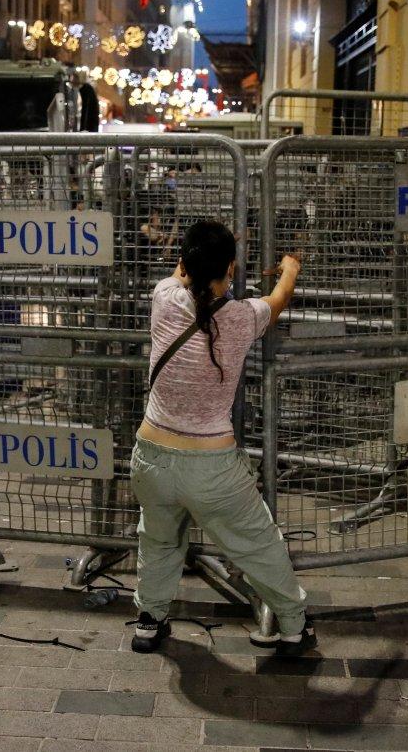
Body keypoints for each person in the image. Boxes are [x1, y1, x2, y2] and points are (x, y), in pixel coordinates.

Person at [129, 219, 313, 656]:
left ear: (185, 262)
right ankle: (293, 628)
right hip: (210, 466)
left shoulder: (164, 297)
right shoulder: (242, 317)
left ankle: (149, 622)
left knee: (158, 540)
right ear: (230, 267)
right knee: (258, 544)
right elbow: (279, 298)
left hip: (151, 457)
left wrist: (211, 252)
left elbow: (182, 273)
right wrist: (290, 267)